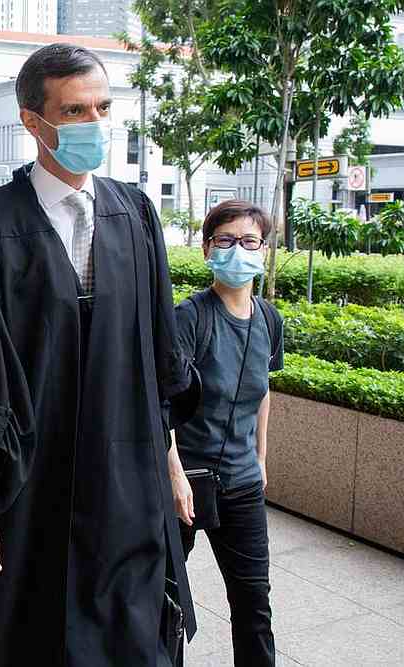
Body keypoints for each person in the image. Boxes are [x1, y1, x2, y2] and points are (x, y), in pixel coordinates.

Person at [0, 43, 198, 666]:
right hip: (23, 488)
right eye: (75, 111)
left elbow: (158, 359)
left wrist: (171, 465)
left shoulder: (135, 214)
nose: (95, 123)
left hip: (123, 485)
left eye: (103, 108)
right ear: (33, 121)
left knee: (128, 639)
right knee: (18, 638)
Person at [168, 200, 283, 666]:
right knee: (164, 600)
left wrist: (261, 459)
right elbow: (162, 403)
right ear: (207, 248)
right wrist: (173, 474)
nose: (239, 249)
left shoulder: (269, 319)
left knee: (254, 604)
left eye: (250, 241)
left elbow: (263, 391)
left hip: (242, 484)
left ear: (264, 250)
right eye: (226, 240)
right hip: (185, 482)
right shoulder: (189, 318)